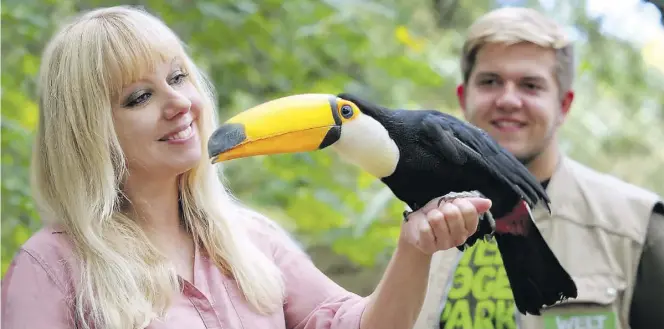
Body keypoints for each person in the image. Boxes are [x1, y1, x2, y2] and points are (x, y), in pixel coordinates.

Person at [0, 5, 494, 329]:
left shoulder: (251, 240)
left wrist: (415, 249)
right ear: (89, 132)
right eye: (140, 96)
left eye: (178, 77)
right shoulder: (51, 268)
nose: (179, 104)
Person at [413, 6, 664, 329]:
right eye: (490, 81)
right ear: (463, 98)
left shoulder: (638, 229)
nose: (508, 100)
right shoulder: (422, 219)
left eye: (530, 86)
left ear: (564, 105)